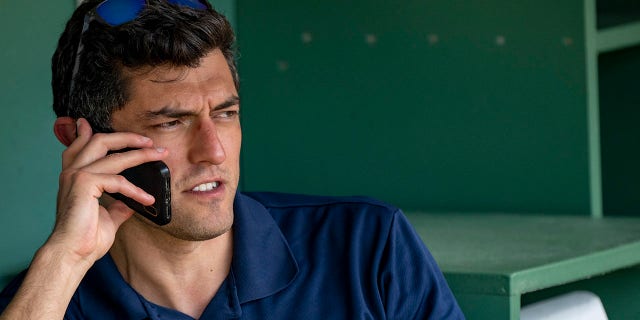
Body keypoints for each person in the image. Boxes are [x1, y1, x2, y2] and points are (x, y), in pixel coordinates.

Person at [0, 0, 465, 319]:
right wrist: (66, 259)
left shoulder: (366, 248)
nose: (214, 151)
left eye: (225, 114)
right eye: (172, 122)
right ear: (81, 141)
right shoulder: (46, 299)